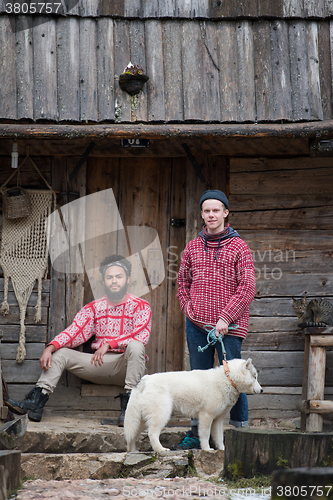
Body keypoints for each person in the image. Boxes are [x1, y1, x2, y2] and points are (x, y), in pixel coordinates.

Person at [6, 254, 152, 426]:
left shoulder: (141, 306)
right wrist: (51, 347)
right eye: (109, 277)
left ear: (127, 279)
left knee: (136, 346)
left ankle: (129, 411)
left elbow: (141, 336)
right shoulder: (94, 307)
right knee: (61, 353)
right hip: (98, 364)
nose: (114, 281)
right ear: (104, 281)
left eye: (119, 276)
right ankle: (36, 403)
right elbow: (75, 331)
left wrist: (110, 343)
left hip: (126, 367)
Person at [176, 189, 256, 449]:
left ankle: (237, 434)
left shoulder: (239, 247)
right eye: (207, 211)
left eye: (216, 210)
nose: (211, 215)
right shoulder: (192, 247)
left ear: (225, 213)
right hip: (198, 326)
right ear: (202, 214)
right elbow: (182, 282)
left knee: (234, 380)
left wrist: (225, 317)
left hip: (230, 327)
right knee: (198, 380)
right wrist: (188, 307)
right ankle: (196, 433)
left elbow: (247, 287)